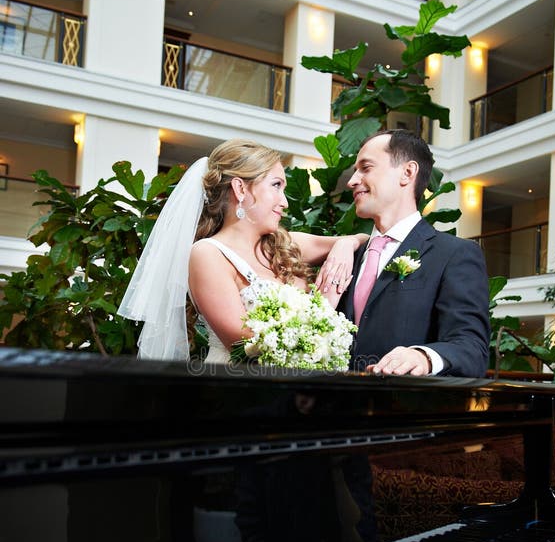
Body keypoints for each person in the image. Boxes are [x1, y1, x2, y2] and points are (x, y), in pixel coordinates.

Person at [118, 138, 367, 362]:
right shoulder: (208, 255)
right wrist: (325, 305)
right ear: (240, 189)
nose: (285, 201)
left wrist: (345, 244)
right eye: (276, 185)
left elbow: (365, 239)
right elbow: (243, 345)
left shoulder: (285, 244)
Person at [341, 129, 490, 377]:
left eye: (366, 168)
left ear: (407, 173)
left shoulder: (454, 255)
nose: (352, 181)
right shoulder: (349, 255)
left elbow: (471, 348)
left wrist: (423, 356)